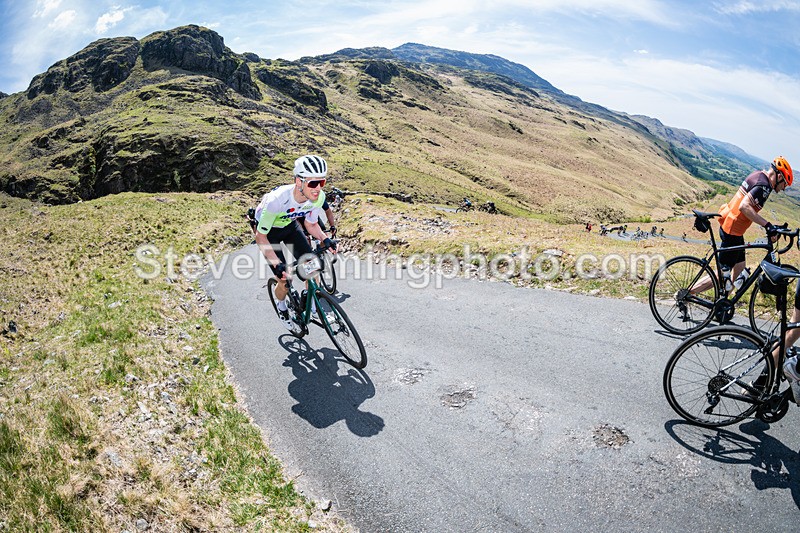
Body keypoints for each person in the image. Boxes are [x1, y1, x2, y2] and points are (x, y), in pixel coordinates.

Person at [251, 154, 336, 329]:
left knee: (311, 266)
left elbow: (311, 224)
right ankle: (282, 307)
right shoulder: (276, 201)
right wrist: (277, 264)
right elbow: (261, 237)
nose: (318, 188)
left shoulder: (318, 198)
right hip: (269, 233)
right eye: (313, 183)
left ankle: (312, 303)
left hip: (290, 227)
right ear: (299, 182)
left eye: (322, 182)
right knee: (285, 278)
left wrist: (325, 239)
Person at [688, 156, 792, 295]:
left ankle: (724, 301)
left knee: (739, 267)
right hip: (732, 229)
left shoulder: (759, 175)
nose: (783, 188)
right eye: (784, 184)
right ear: (779, 176)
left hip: (734, 229)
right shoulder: (764, 186)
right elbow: (744, 207)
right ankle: (686, 294)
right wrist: (768, 225)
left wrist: (771, 226)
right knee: (720, 275)